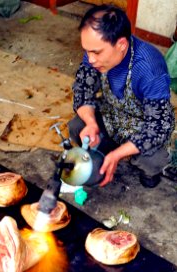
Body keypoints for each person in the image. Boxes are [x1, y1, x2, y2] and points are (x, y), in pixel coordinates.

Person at [68, 4, 175, 188]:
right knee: (78, 126)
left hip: (143, 124)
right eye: (87, 50)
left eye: (96, 52)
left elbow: (157, 126)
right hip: (113, 113)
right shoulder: (94, 54)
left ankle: (146, 169)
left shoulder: (150, 68)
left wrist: (117, 155)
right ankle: (104, 150)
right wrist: (92, 123)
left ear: (122, 45)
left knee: (153, 159)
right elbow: (83, 89)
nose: (90, 59)